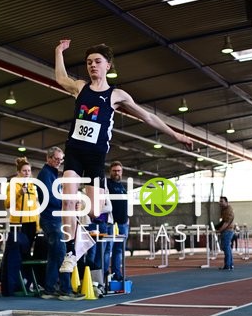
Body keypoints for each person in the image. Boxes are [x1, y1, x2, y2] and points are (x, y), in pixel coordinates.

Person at [54, 39, 192, 273]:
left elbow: (147, 116)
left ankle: (84, 238)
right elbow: (60, 78)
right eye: (88, 62)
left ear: (108, 66)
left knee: (94, 211)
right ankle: (70, 251)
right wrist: (58, 52)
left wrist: (175, 135)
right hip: (74, 151)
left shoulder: (116, 95)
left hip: (95, 157)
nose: (92, 66)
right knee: (67, 200)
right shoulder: (80, 87)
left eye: (98, 62)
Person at [37, 146, 84, 300]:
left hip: (55, 218)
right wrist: (67, 201)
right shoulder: (45, 175)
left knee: (55, 254)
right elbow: (50, 198)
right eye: (56, 159)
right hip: (51, 219)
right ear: (48, 158)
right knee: (63, 254)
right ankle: (65, 289)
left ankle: (49, 289)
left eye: (60, 159)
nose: (58, 162)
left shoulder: (53, 175)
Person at [4, 156, 40, 260]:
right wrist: (19, 193)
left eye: (29, 170)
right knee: (19, 251)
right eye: (24, 171)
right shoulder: (13, 184)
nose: (27, 173)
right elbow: (7, 204)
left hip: (32, 223)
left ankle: (26, 274)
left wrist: (37, 226)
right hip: (19, 223)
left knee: (28, 251)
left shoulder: (32, 185)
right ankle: (16, 274)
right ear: (18, 172)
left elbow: (34, 207)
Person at [105, 161, 129, 282]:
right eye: (114, 171)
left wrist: (127, 219)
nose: (116, 173)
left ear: (122, 172)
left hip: (123, 223)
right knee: (108, 249)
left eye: (118, 171)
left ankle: (116, 273)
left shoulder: (123, 187)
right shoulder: (107, 184)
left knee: (119, 250)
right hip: (110, 223)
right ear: (110, 172)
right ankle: (104, 274)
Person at [216, 196, 235, 270]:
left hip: (228, 231)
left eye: (222, 201)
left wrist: (220, 230)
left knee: (226, 247)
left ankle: (228, 265)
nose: (220, 203)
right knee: (227, 248)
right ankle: (230, 264)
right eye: (219, 201)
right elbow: (223, 221)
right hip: (226, 230)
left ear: (226, 202)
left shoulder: (228, 210)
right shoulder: (224, 210)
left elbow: (226, 222)